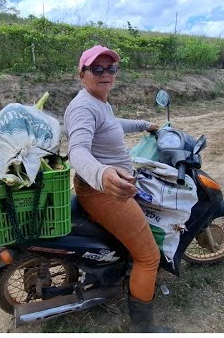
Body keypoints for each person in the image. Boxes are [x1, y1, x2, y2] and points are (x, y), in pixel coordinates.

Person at [64, 46, 168, 333]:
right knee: (149, 258)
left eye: (111, 68)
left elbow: (111, 124)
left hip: (104, 186)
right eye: (97, 69)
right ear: (81, 74)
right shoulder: (83, 107)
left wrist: (145, 124)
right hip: (103, 191)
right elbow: (77, 150)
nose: (106, 74)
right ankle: (142, 328)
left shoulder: (99, 102)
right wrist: (103, 173)